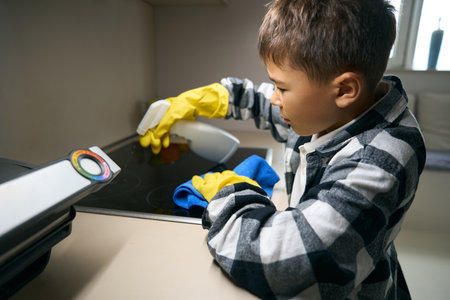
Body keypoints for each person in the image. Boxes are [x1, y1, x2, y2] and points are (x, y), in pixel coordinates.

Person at [138, 0, 426, 298]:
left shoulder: (384, 155)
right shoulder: (337, 108)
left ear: (343, 90)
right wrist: (207, 99)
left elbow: (292, 264)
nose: (275, 98)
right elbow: (263, 102)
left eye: (282, 88)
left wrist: (231, 190)